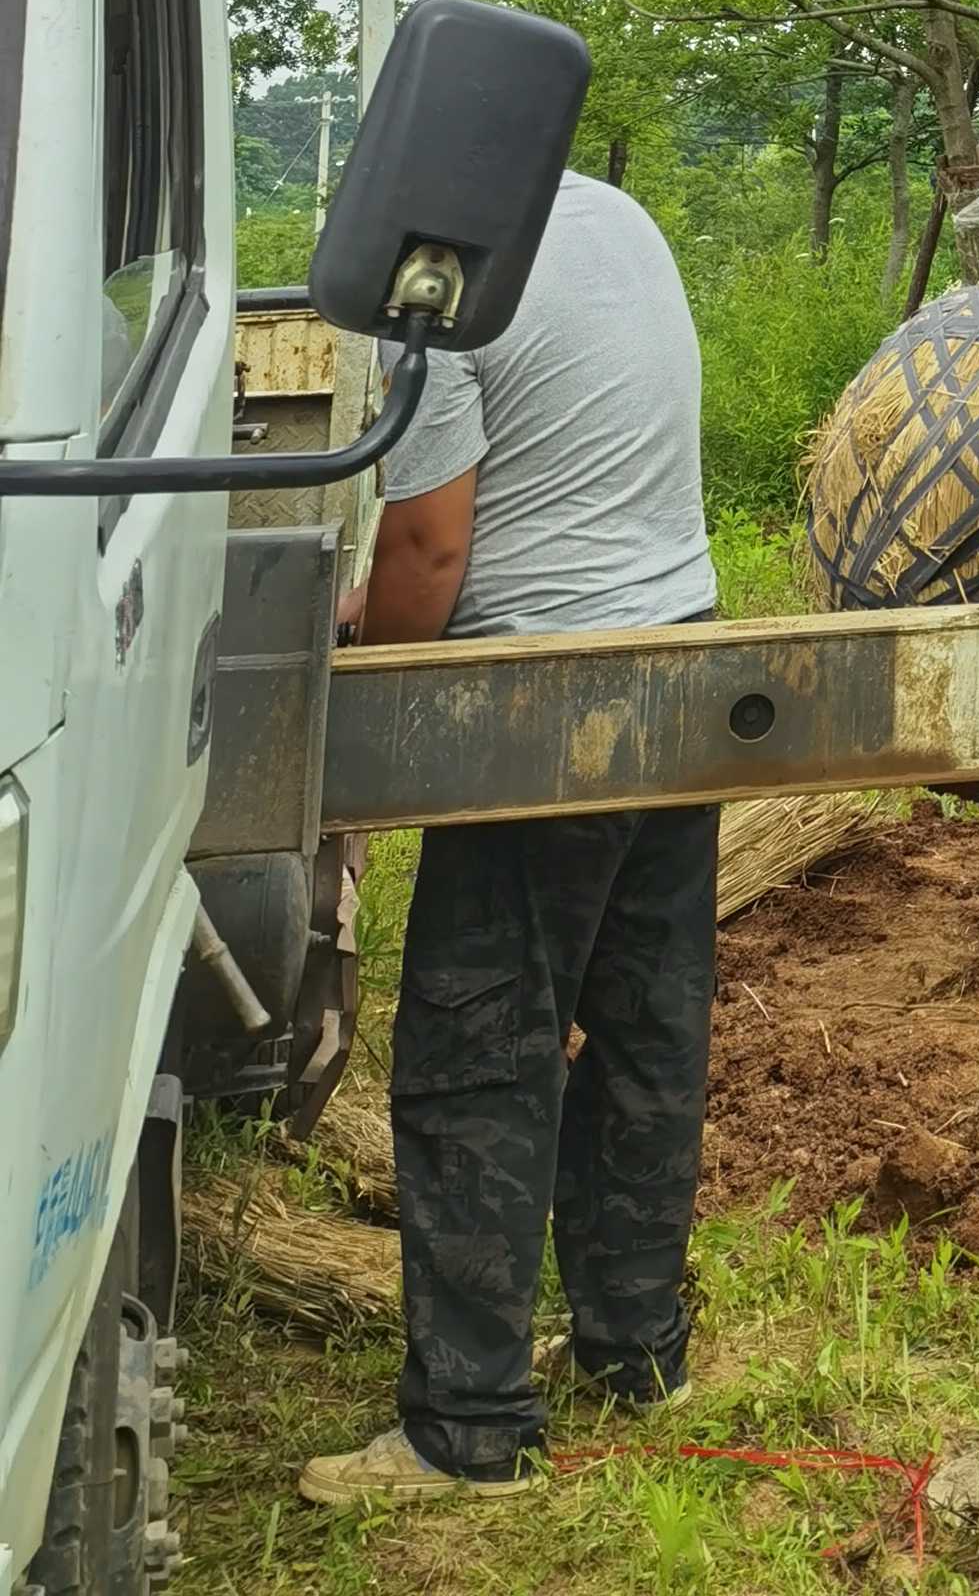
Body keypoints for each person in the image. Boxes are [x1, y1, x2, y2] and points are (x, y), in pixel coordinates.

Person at [299, 163, 720, 1510]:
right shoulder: (615, 215)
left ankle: (467, 1429)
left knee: (481, 1045)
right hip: (684, 658)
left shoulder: (433, 254)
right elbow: (569, 470)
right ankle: (635, 1351)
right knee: (647, 1024)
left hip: (543, 701)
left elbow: (429, 544)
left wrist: (380, 706)